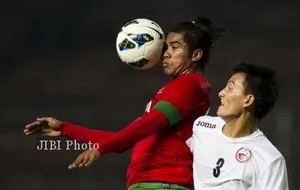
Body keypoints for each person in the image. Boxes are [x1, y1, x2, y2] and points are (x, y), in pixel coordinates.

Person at [24, 16, 226, 190]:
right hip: (151, 182)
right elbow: (130, 138)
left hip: (164, 183)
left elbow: (149, 123)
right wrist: (66, 129)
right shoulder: (175, 90)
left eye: (175, 47)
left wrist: (101, 148)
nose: (166, 53)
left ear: (196, 55)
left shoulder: (190, 85)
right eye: (166, 47)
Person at [187, 62, 289, 189]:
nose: (221, 93)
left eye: (230, 87)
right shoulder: (201, 126)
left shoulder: (270, 159)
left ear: (248, 100)